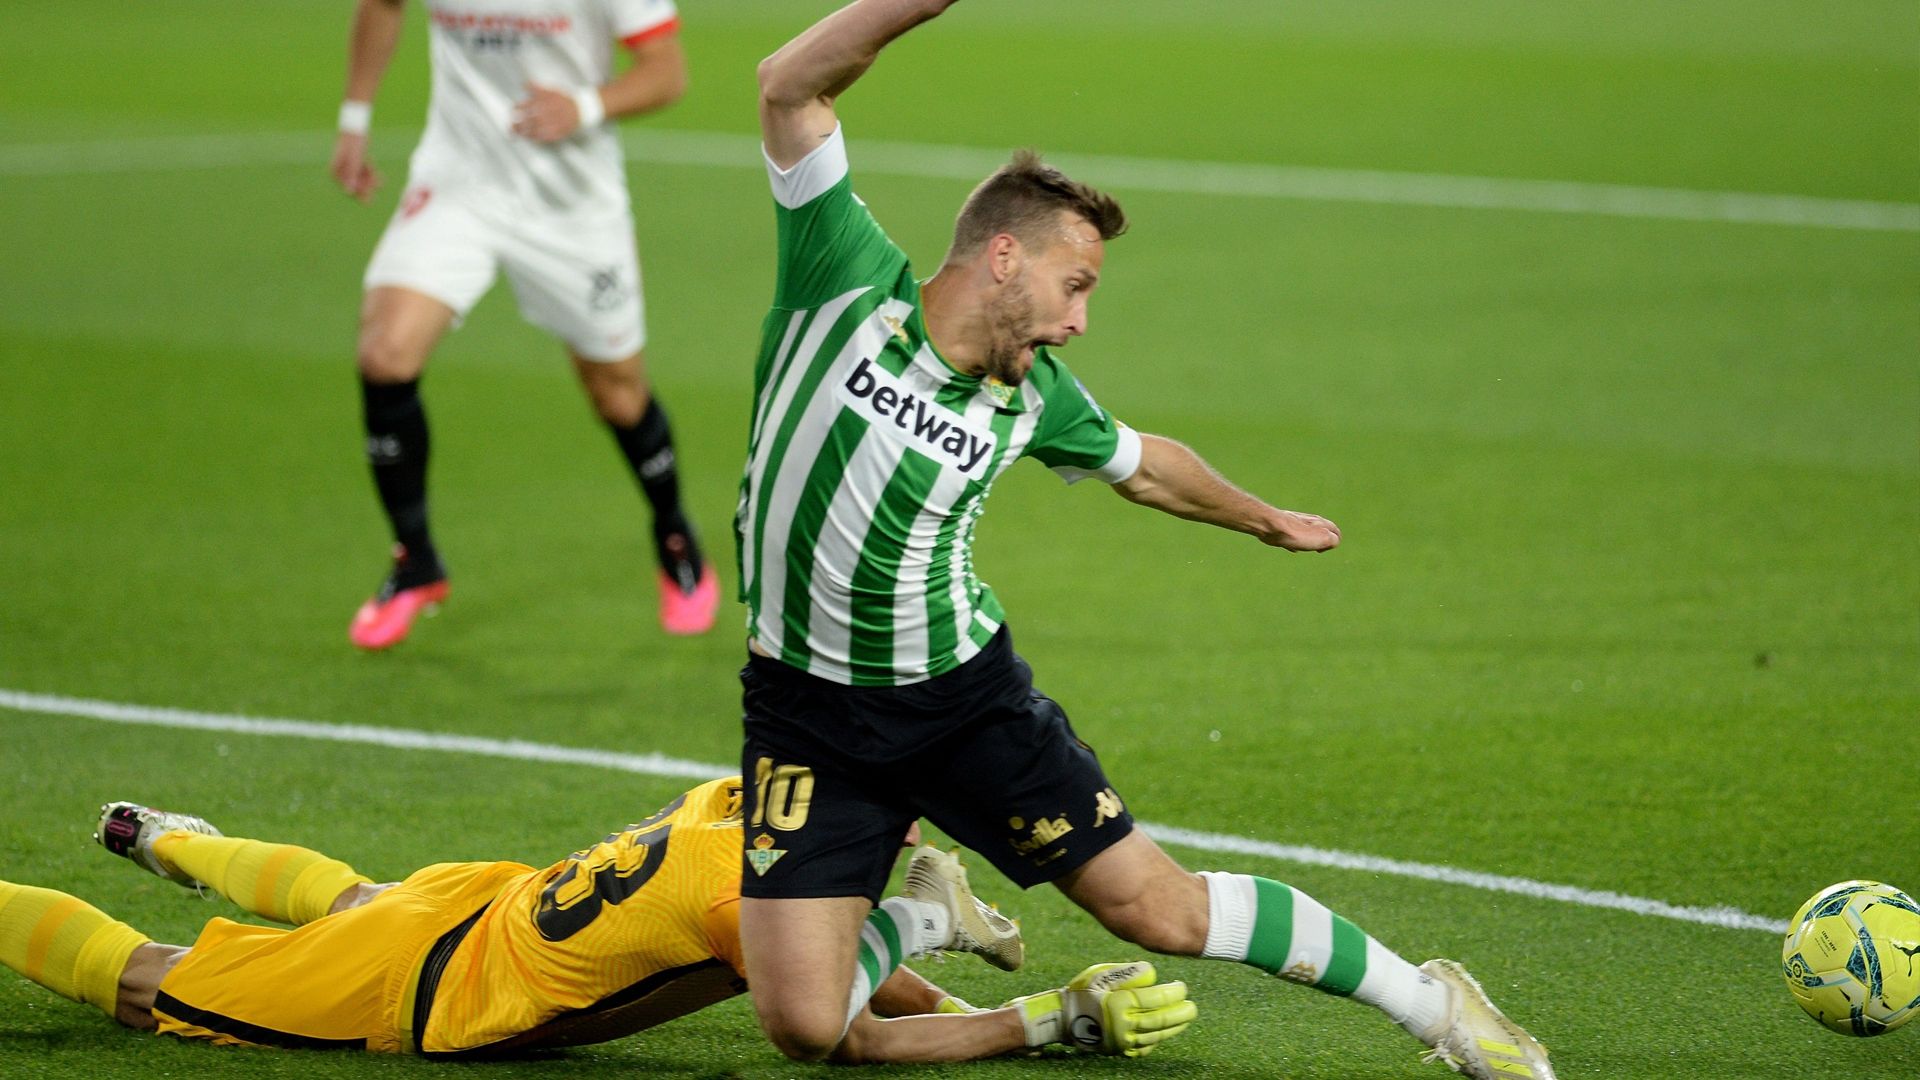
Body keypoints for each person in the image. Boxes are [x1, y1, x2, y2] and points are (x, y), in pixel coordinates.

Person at [732, 3, 1557, 1078]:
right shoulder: (841, 279)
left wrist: (1263, 517)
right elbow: (787, 85)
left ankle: (1439, 1010)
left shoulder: (1036, 401)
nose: (1079, 320)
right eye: (1075, 286)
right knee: (803, 1027)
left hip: (960, 705)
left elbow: (1146, 462)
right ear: (1003, 255)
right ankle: (934, 917)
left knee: (1156, 912)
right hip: (805, 710)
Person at [0, 791, 1194, 1061]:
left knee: (355, 901)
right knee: (154, 986)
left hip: (481, 902)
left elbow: (871, 973)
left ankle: (172, 838)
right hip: (439, 990)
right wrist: (1045, 1023)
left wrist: (933, 954)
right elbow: (857, 1032)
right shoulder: (760, 906)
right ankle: (161, 852)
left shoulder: (748, 799)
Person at [329, 0, 719, 649]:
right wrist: (354, 120)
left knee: (617, 394)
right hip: (461, 183)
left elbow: (666, 72)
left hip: (570, 203)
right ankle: (416, 560)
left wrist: (585, 106)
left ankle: (674, 535)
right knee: (385, 356)